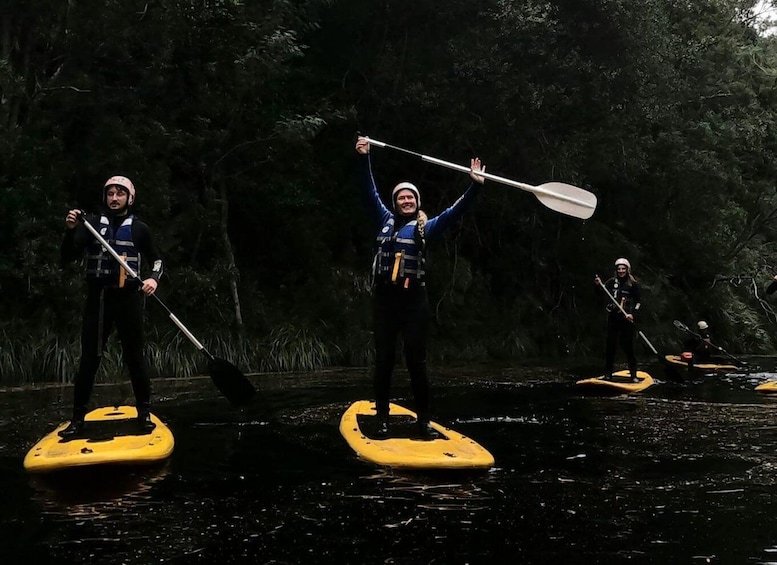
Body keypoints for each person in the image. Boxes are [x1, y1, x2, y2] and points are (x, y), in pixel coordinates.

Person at [355, 136, 485, 437]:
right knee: (384, 361)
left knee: (416, 363)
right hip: (385, 302)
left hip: (415, 301)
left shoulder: (427, 228)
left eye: (410, 197)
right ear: (395, 202)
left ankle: (424, 421)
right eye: (401, 197)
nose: (406, 200)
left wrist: (475, 186)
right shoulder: (383, 219)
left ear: (417, 202)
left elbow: (455, 213)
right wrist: (364, 158)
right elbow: (367, 189)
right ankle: (383, 418)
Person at [59, 176, 164, 438]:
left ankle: (144, 413)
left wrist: (152, 278)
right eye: (110, 194)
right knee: (89, 360)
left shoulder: (140, 229)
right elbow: (67, 257)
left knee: (135, 358)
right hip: (99, 299)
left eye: (120, 194)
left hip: (128, 298)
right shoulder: (92, 225)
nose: (114, 198)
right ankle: (77, 419)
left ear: (130, 198)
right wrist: (71, 229)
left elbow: (158, 260)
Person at [594, 258, 642, 383]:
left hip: (626, 319)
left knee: (628, 346)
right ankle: (608, 374)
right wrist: (598, 286)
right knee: (610, 345)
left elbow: (638, 302)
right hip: (613, 317)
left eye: (623, 269)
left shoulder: (633, 284)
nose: (621, 271)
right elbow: (600, 295)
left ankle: (633, 375)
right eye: (619, 269)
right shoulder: (611, 282)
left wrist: (633, 314)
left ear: (627, 270)